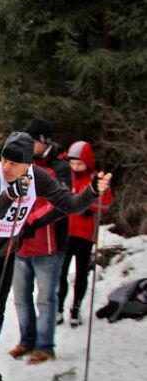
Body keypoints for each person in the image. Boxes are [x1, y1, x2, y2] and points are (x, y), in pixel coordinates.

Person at [0, 132, 111, 381]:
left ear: (28, 164)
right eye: (4, 159)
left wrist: (93, 190)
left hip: (4, 253)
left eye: (14, 164)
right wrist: (10, 195)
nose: (7, 167)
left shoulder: (38, 178)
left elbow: (70, 205)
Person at [7, 119, 73, 364]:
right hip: (20, 244)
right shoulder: (21, 164)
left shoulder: (60, 166)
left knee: (46, 298)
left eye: (31, 140)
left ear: (43, 141)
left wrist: (31, 221)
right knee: (21, 297)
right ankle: (26, 341)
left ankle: (45, 346)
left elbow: (61, 203)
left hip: (49, 245)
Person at [57, 140, 113, 327]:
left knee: (81, 273)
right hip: (66, 233)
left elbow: (106, 203)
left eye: (79, 164)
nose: (75, 167)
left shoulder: (95, 179)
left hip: (85, 234)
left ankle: (76, 308)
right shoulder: (67, 177)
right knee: (60, 273)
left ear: (87, 162)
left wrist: (90, 205)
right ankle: (58, 309)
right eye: (72, 163)